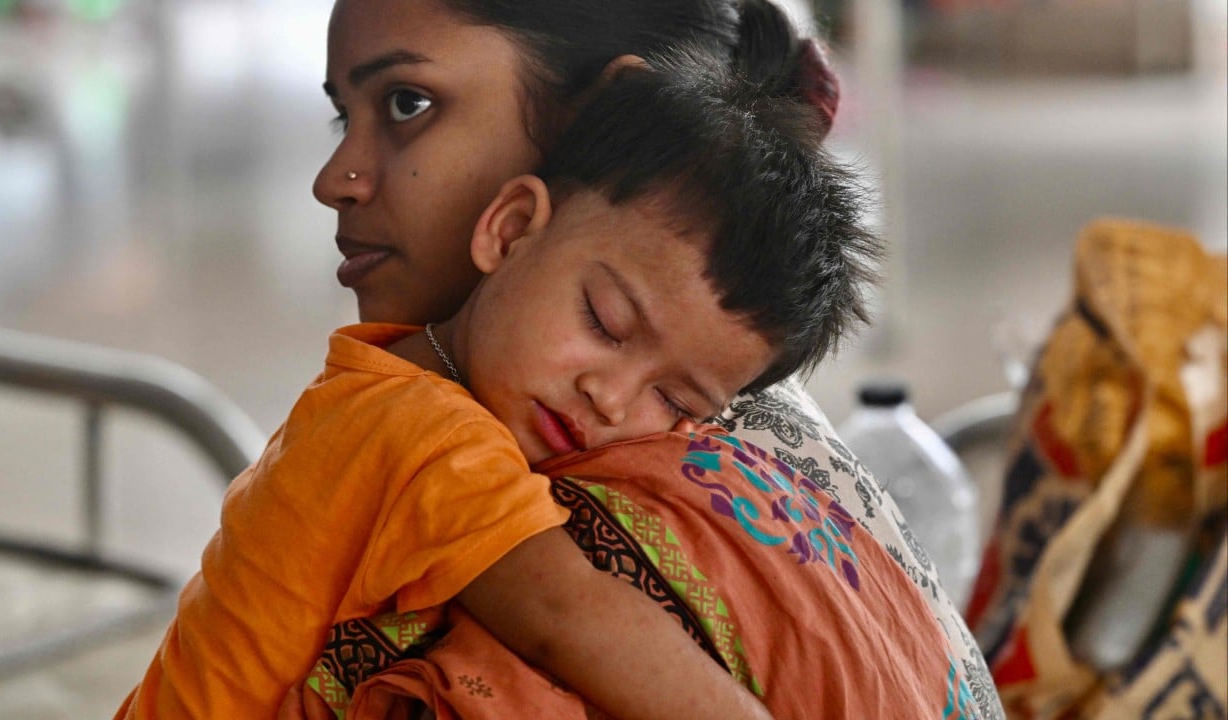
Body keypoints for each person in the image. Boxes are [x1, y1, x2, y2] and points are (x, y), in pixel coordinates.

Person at [117, 49, 877, 720]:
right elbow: (566, 613)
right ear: (511, 229)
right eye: (605, 322)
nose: (610, 399)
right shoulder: (416, 427)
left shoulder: (386, 377)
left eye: (676, 403)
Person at [306, 0, 1002, 715]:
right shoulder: (701, 424)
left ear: (600, 112)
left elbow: (560, 615)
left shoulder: (599, 520)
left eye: (407, 103)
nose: (335, 178)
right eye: (342, 115)